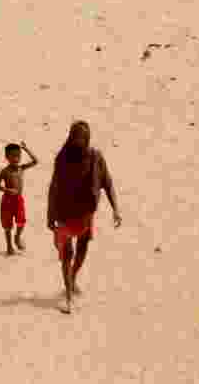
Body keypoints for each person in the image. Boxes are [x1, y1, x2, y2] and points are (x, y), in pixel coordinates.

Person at [46, 120, 122, 314]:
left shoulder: (96, 158)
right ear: (70, 137)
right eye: (75, 135)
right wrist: (49, 213)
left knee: (82, 249)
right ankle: (69, 295)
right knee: (67, 254)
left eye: (82, 136)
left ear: (87, 138)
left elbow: (108, 182)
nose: (79, 139)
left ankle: (72, 276)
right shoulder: (62, 159)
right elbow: (53, 187)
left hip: (86, 215)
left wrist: (116, 209)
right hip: (63, 213)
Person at [0, 141, 39, 255]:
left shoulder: (21, 168)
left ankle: (17, 237)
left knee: (21, 222)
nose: (16, 159)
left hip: (18, 200)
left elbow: (35, 161)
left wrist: (26, 149)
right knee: (7, 225)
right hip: (7, 201)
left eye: (18, 156)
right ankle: (9, 246)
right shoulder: (5, 171)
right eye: (13, 156)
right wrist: (7, 190)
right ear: (7, 157)